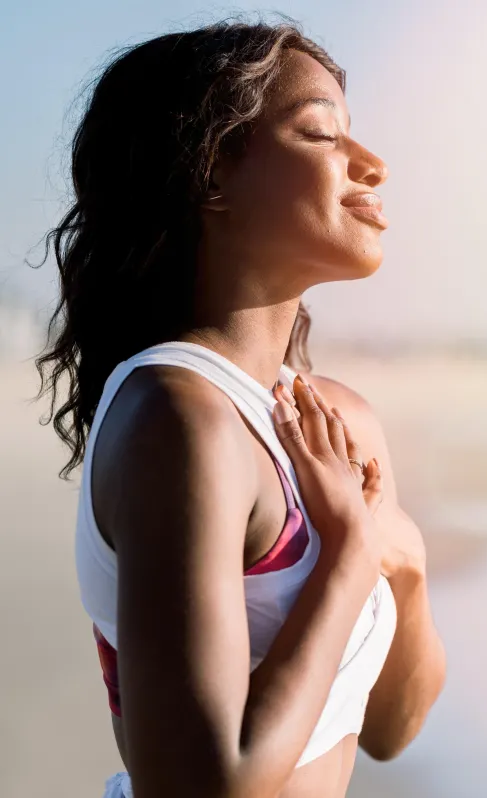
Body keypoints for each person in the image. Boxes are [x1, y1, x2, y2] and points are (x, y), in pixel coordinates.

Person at [30, 16, 446, 797]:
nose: (372, 165)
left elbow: (392, 726)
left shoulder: (341, 419)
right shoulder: (179, 416)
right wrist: (352, 554)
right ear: (211, 175)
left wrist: (408, 568)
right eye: (322, 135)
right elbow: (206, 786)